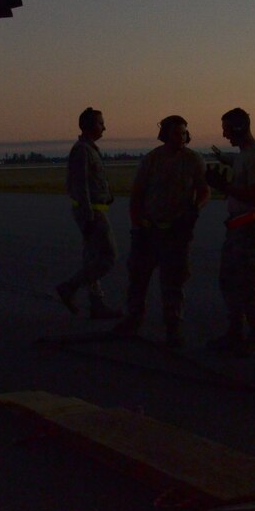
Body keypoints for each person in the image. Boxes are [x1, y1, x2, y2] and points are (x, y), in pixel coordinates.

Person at [112, 116, 210, 347]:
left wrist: (196, 208)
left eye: (184, 133)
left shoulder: (194, 159)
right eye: (177, 133)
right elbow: (137, 195)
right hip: (148, 230)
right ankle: (133, 319)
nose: (182, 137)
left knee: (174, 282)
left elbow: (204, 190)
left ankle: (173, 326)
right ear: (165, 134)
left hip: (177, 231)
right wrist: (137, 225)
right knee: (138, 279)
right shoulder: (152, 159)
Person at [205, 108, 255, 357]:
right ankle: (236, 332)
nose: (224, 134)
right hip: (238, 226)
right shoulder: (244, 155)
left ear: (239, 128)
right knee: (230, 279)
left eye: (226, 128)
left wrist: (225, 186)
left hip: (249, 227)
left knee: (248, 281)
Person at [55, 107, 122, 319]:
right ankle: (69, 287)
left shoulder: (90, 149)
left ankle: (97, 304)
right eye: (101, 123)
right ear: (90, 125)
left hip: (96, 209)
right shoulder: (82, 151)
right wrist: (89, 217)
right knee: (108, 257)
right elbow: (80, 185)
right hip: (92, 212)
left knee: (93, 258)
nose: (105, 127)